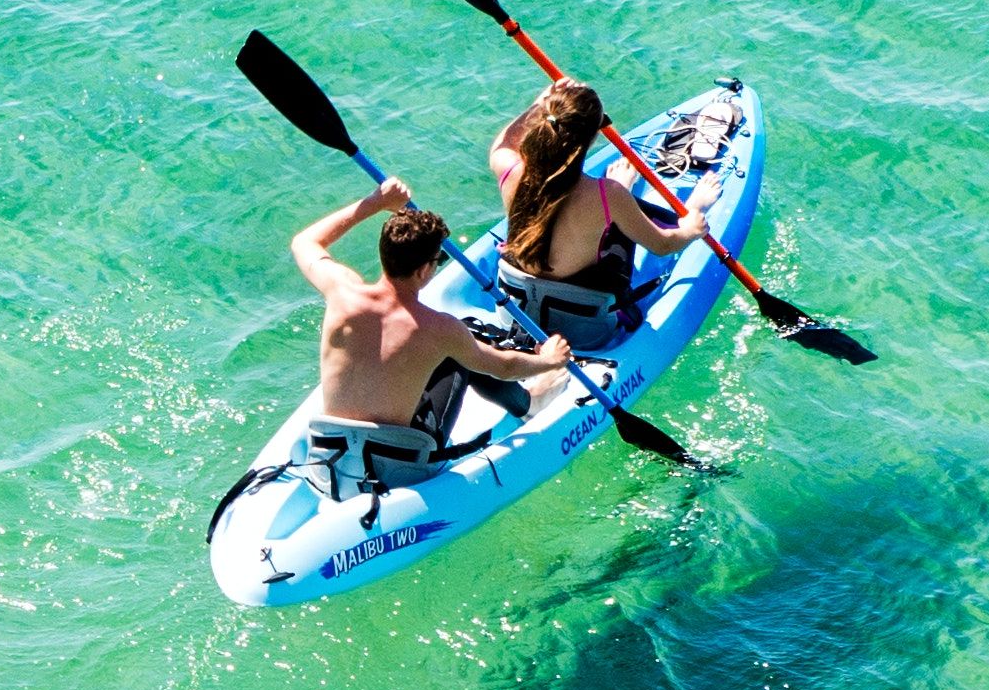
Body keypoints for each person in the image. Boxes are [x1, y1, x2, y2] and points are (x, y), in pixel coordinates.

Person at [289, 184, 568, 429]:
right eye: (439, 260)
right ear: (424, 270)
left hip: (331, 449)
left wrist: (376, 202)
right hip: (399, 462)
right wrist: (549, 360)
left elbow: (304, 242)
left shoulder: (341, 291)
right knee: (460, 353)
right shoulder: (439, 330)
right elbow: (503, 368)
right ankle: (530, 403)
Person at [487, 78, 702, 345]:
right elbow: (662, 245)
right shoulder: (606, 194)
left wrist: (538, 104)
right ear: (593, 136)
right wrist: (692, 225)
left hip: (514, 313)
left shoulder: (508, 169)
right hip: (583, 329)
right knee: (618, 229)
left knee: (610, 216)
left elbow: (504, 142)